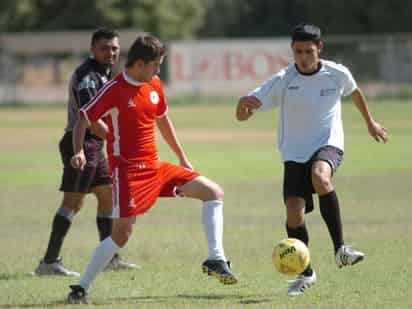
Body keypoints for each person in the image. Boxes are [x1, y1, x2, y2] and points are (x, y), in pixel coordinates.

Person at [66, 33, 238, 304]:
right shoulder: (114, 89)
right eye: (156, 65)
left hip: (156, 167)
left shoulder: (154, 83)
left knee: (213, 192)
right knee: (121, 234)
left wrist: (182, 156)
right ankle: (81, 287)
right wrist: (78, 151)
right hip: (128, 172)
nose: (159, 70)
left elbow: (163, 120)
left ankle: (215, 259)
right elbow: (83, 119)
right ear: (140, 63)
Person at [236, 23, 388, 296]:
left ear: (320, 48)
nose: (303, 57)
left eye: (308, 51)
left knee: (320, 175)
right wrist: (242, 105)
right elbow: (244, 114)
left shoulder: (336, 74)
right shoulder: (283, 79)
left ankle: (341, 249)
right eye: (297, 52)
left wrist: (371, 123)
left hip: (327, 145)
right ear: (292, 51)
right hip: (293, 153)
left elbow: (354, 92)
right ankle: (306, 274)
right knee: (294, 213)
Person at [34, 28, 138, 277]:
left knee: (106, 198)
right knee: (73, 202)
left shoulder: (104, 74)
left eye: (114, 48)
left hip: (95, 146)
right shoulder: (89, 76)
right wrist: (118, 140)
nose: (110, 52)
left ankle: (110, 257)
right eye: (104, 48)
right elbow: (89, 119)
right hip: (80, 143)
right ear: (93, 49)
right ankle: (49, 262)